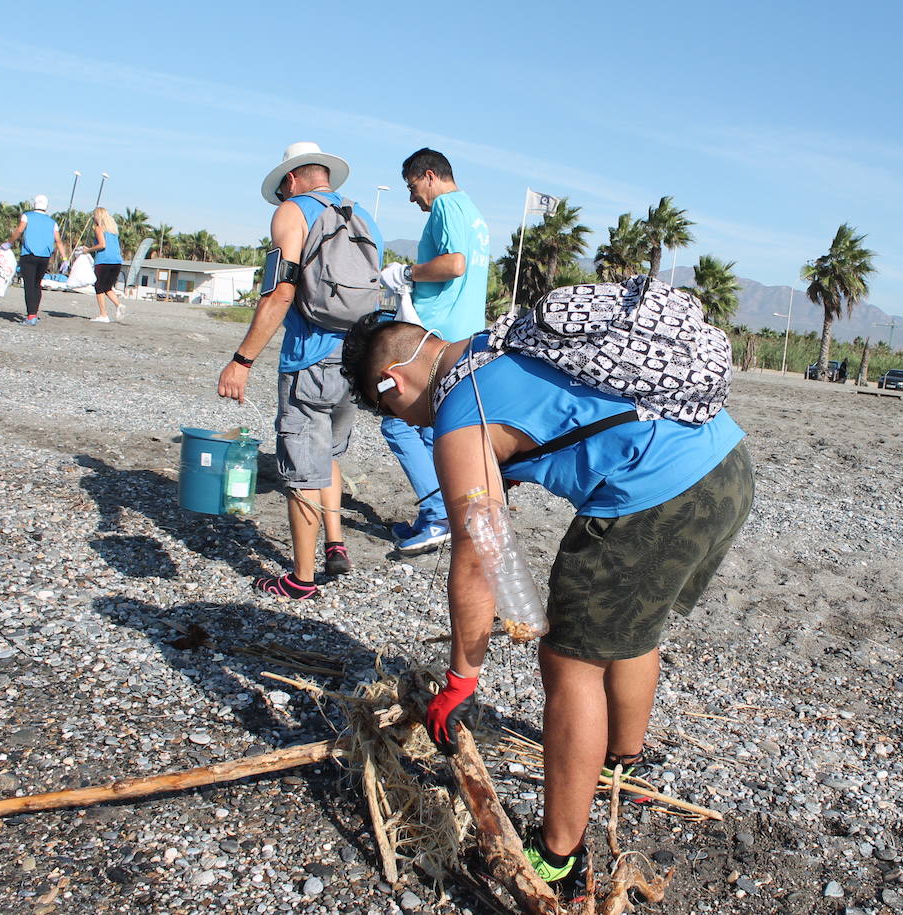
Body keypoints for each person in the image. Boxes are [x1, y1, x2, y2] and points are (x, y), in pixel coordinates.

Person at [340, 316, 754, 901]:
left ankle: (559, 856)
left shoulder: (459, 412)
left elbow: (481, 554)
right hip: (725, 467)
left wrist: (461, 677)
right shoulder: (496, 346)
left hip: (656, 495)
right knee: (630, 625)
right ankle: (623, 766)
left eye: (396, 415)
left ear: (391, 382)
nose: (411, 425)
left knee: (568, 662)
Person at [216, 141, 382, 600]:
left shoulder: (293, 212)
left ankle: (301, 580)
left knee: (301, 468)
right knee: (328, 453)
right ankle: (336, 543)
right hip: (356, 358)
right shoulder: (364, 217)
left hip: (309, 359)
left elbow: (280, 293)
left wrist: (242, 359)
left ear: (290, 180)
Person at [376, 148, 490, 554]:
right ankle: (437, 515)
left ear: (429, 175)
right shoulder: (474, 214)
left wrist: (405, 273)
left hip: (435, 337)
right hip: (464, 336)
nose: (413, 199)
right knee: (429, 429)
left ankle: (441, 515)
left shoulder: (446, 205)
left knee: (397, 421)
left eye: (411, 188)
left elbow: (455, 264)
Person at [5, 194, 67, 325]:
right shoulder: (52, 222)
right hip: (44, 258)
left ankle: (31, 316)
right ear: (46, 206)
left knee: (29, 286)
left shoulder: (27, 216)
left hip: (29, 255)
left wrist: (9, 243)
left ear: (34, 204)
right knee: (37, 285)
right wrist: (65, 258)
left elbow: (19, 231)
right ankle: (34, 313)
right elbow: (59, 241)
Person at [86, 207, 124, 323]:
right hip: (117, 261)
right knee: (107, 287)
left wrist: (88, 250)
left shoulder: (99, 229)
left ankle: (103, 314)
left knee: (99, 287)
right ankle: (119, 305)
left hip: (104, 261)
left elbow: (102, 245)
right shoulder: (113, 231)